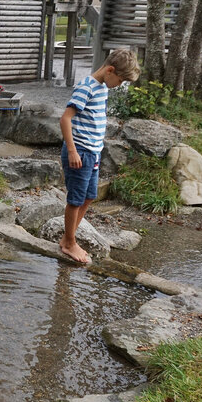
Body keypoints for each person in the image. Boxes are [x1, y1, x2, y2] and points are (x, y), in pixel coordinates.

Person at [58, 48, 140, 263]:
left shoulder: (102, 87)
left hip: (92, 152)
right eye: (121, 81)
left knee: (89, 196)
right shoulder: (87, 88)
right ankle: (69, 242)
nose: (120, 85)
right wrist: (73, 150)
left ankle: (68, 237)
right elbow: (65, 119)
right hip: (80, 152)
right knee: (76, 199)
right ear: (110, 70)